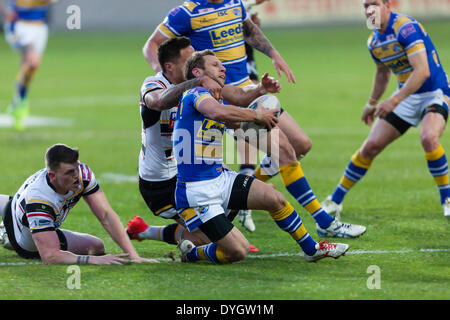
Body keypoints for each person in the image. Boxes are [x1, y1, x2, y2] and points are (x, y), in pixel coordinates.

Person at [143, 1, 366, 237]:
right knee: (284, 151)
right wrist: (169, 80)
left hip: (248, 90)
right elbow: (152, 45)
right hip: (226, 98)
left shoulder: (234, 3)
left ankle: (242, 196)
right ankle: (325, 223)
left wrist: (274, 54)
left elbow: (248, 29)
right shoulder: (186, 12)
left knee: (301, 144)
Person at [174, 50, 351, 264]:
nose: (223, 68)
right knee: (238, 251)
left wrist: (262, 109)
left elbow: (237, 123)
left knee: (274, 198)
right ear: (197, 72)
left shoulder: (213, 97)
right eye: (215, 65)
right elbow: (219, 113)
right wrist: (258, 115)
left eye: (222, 65)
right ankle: (192, 253)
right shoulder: (196, 93)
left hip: (221, 179)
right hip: (198, 191)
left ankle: (312, 249)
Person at [126, 36, 280, 250]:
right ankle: (149, 232)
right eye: (189, 59)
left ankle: (211, 234)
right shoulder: (155, 84)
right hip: (161, 184)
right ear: (169, 66)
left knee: (234, 192)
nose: (195, 64)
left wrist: (260, 90)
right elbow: (159, 101)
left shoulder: (202, 89)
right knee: (209, 240)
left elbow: (234, 99)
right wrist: (197, 81)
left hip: (191, 171)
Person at [322, 0, 450, 218]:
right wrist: (371, 103)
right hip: (407, 97)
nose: (369, 10)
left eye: (374, 4)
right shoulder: (374, 41)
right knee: (370, 146)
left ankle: (447, 198)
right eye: (365, 5)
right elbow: (382, 74)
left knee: (428, 138)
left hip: (434, 91)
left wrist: (394, 100)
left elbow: (422, 72)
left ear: (387, 5)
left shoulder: (405, 27)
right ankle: (335, 200)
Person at [0, 144, 157, 265]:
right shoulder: (39, 201)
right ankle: (7, 236)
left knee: (97, 247)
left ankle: (6, 229)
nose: (76, 176)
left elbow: (106, 216)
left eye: (76, 168)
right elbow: (50, 256)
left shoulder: (82, 175)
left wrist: (134, 256)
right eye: (69, 172)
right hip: (26, 241)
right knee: (92, 252)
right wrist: (93, 260)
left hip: (17, 205)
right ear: (52, 176)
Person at [2, 0, 57, 130]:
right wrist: (5, 13)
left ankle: (18, 102)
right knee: (33, 62)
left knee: (28, 68)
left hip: (39, 27)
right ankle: (20, 101)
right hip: (19, 25)